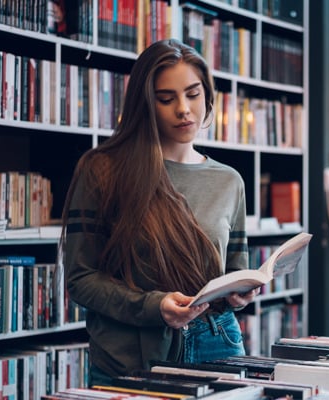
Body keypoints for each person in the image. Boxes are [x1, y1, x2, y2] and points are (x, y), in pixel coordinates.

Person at [59, 38, 259, 387]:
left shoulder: (230, 181)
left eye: (193, 94)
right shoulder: (103, 171)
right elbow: (81, 280)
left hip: (218, 345)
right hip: (132, 354)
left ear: (208, 95)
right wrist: (155, 305)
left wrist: (239, 294)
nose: (183, 109)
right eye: (166, 99)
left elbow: (233, 271)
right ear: (144, 104)